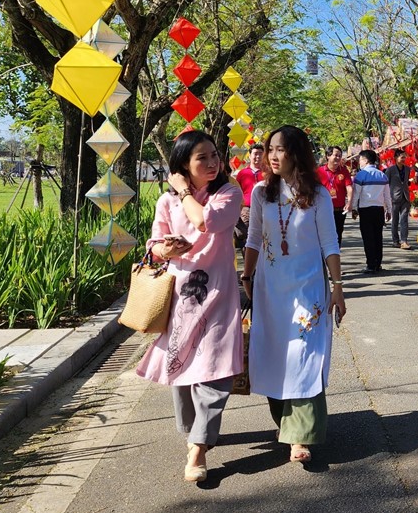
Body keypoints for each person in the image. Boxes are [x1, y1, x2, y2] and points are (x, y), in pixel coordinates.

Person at [135, 130, 244, 483]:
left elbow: (205, 222)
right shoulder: (165, 203)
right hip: (181, 297)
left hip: (219, 295)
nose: (213, 163)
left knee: (217, 370)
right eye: (203, 158)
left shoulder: (229, 193)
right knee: (181, 371)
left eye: (215, 155)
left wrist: (183, 191)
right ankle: (195, 430)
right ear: (184, 164)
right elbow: (153, 245)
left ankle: (198, 447)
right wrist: (167, 250)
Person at [241, 125, 346, 464]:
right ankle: (285, 424)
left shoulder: (318, 195)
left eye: (280, 149)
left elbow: (330, 244)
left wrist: (338, 287)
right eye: (270, 148)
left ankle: (299, 436)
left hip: (308, 291)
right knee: (274, 355)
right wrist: (246, 275)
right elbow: (254, 239)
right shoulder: (260, 193)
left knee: (303, 356)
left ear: (297, 153)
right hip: (270, 291)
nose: (272, 155)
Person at [351, 149, 391, 273]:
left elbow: (356, 194)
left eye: (361, 160)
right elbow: (387, 195)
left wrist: (353, 208)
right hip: (379, 210)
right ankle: (378, 263)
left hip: (365, 210)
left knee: (368, 237)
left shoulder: (361, 175)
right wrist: (389, 210)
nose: (359, 162)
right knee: (378, 237)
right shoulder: (382, 175)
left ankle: (370, 264)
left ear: (366, 160)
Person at [317, 146, 353, 246]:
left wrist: (350, 202)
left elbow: (349, 187)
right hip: (324, 210)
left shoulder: (344, 171)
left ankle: (335, 257)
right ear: (328, 156)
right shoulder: (319, 172)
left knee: (338, 234)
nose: (338, 158)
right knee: (323, 234)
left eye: (339, 156)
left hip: (339, 210)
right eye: (335, 155)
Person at [234, 143, 264, 252]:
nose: (258, 157)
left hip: (264, 208)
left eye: (261, 154)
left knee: (264, 236)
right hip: (247, 209)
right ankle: (249, 266)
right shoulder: (242, 173)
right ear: (250, 155)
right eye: (255, 154)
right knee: (247, 237)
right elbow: (237, 192)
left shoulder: (268, 173)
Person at [385, 148, 412, 249]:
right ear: (396, 157)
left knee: (404, 219)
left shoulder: (408, 169)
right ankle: (395, 241)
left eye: (405, 156)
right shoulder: (390, 170)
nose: (404, 158)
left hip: (405, 197)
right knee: (395, 220)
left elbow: (406, 182)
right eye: (401, 157)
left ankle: (404, 241)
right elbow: (385, 184)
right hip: (394, 198)